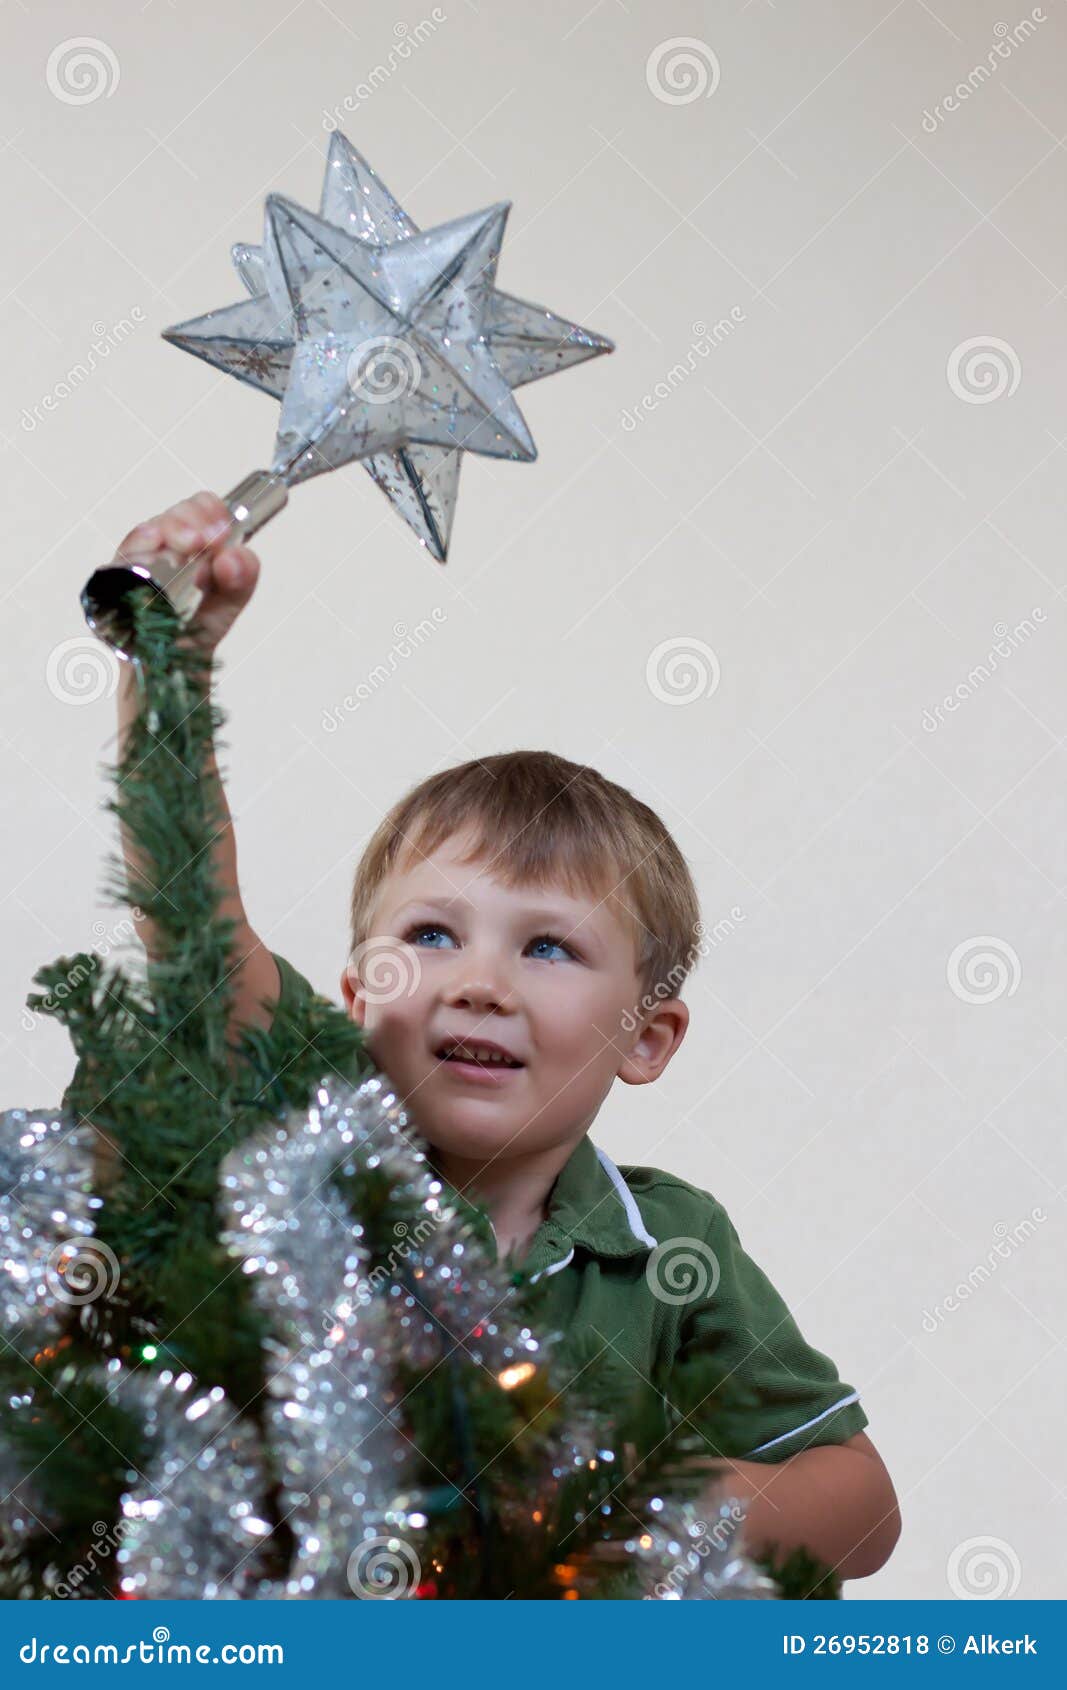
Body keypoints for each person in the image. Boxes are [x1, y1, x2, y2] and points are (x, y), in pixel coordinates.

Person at [95, 490, 901, 1583]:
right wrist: (164, 660)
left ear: (645, 1037)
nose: (478, 983)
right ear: (357, 995)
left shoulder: (666, 1247)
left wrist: (661, 1508)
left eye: (549, 949)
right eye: (431, 934)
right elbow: (190, 920)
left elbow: (859, 1504)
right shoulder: (303, 1151)